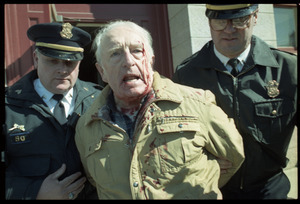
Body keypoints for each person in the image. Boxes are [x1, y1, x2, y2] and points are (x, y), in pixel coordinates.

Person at [75, 20, 244, 199]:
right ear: (102, 72)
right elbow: (95, 181)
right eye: (115, 53)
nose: (128, 61)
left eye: (137, 51)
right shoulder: (86, 127)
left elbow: (233, 156)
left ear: (151, 61)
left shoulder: (196, 104)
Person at [173, 4, 297, 199]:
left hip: (270, 189)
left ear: (255, 17)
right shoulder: (186, 75)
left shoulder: (288, 70)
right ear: (209, 22)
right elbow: (176, 140)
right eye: (220, 21)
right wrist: (203, 162)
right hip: (212, 190)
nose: (229, 29)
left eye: (240, 20)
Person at [5, 22, 101, 200]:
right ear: (35, 58)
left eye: (69, 62)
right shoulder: (9, 105)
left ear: (79, 63)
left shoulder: (99, 101)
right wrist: (35, 192)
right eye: (52, 60)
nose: (62, 70)